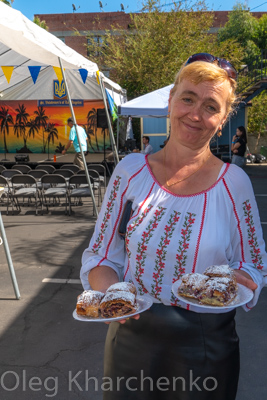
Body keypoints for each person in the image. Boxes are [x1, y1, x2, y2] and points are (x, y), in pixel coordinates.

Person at [80, 53, 267, 400]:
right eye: (188, 98)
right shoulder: (130, 172)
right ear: (170, 101)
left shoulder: (235, 183)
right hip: (131, 337)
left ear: (224, 118)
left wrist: (246, 280)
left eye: (211, 106)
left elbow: (253, 263)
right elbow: (102, 254)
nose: (195, 114)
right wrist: (112, 298)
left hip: (206, 345)